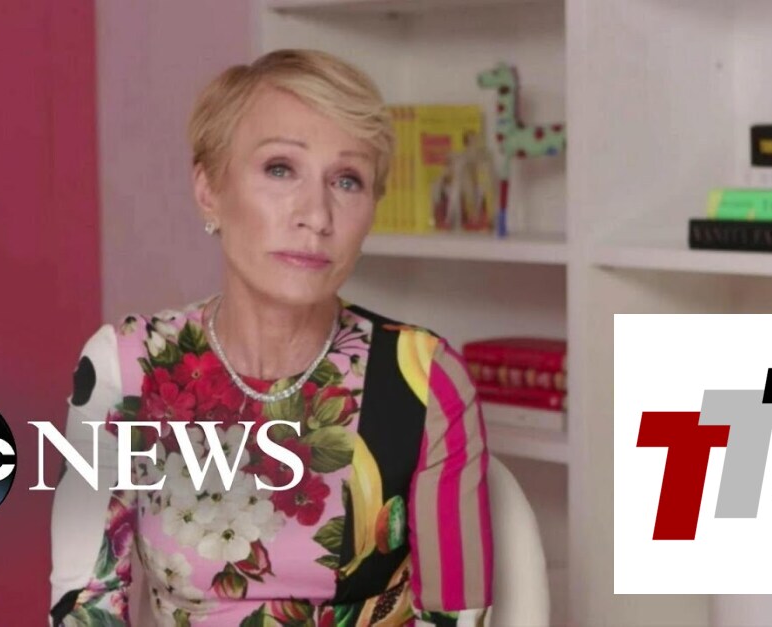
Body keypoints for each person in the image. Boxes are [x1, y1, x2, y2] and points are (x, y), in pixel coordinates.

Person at [49, 49, 494, 626]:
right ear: (209, 190)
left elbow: (456, 615)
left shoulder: (423, 376)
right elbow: (85, 605)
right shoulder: (123, 367)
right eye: (281, 169)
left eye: (347, 180)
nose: (317, 215)